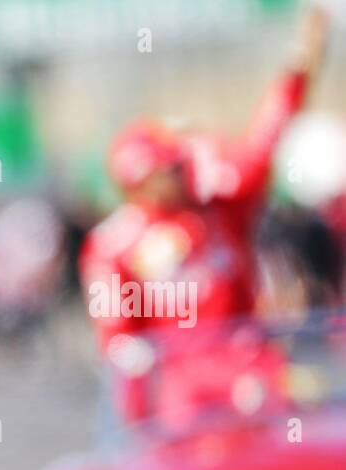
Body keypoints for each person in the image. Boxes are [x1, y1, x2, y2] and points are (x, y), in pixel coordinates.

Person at [80, 3, 329, 423]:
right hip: (181, 403)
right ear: (137, 182)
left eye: (179, 164)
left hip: (252, 379)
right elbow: (120, 347)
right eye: (168, 170)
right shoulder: (111, 247)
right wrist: (138, 424)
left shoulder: (222, 209)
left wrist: (297, 70)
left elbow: (264, 139)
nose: (181, 174)